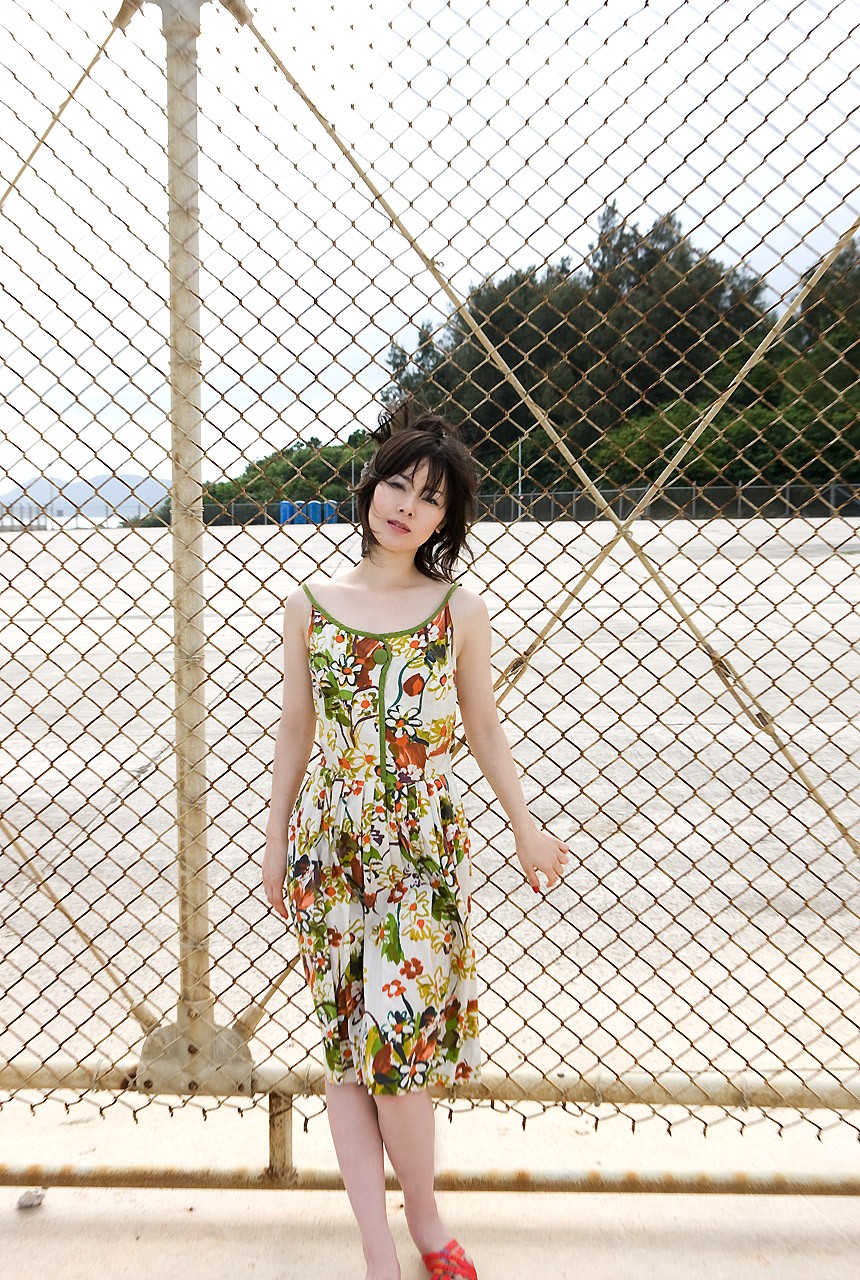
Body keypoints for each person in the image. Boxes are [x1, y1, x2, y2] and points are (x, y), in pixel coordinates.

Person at [262, 405, 570, 1280]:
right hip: (330, 847)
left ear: (446, 519)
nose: (407, 505)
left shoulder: (457, 609)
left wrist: (525, 826)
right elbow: (296, 728)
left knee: (398, 1048)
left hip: (422, 849)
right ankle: (378, 1250)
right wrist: (274, 843)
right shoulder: (309, 606)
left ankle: (427, 1224)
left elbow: (484, 726)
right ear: (370, 489)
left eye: (429, 497)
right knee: (346, 1051)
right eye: (397, 483)